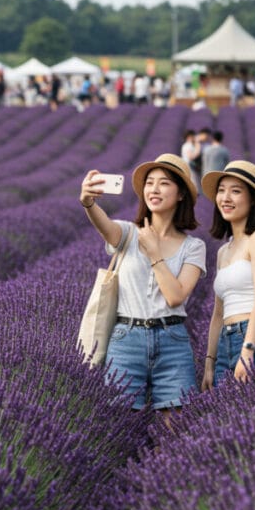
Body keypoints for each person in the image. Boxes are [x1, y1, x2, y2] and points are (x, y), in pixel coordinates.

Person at [78, 154, 206, 421]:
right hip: (126, 340)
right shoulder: (127, 233)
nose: (154, 189)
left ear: (181, 194)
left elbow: (175, 296)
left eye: (164, 183)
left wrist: (155, 253)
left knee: (175, 431)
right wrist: (88, 203)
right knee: (120, 426)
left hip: (172, 341)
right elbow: (105, 226)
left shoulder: (194, 247)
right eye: (149, 183)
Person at [200, 160, 255, 388]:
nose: (225, 198)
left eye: (236, 191)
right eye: (221, 190)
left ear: (252, 200)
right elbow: (218, 313)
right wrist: (210, 362)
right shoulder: (223, 251)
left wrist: (247, 351)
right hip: (225, 343)